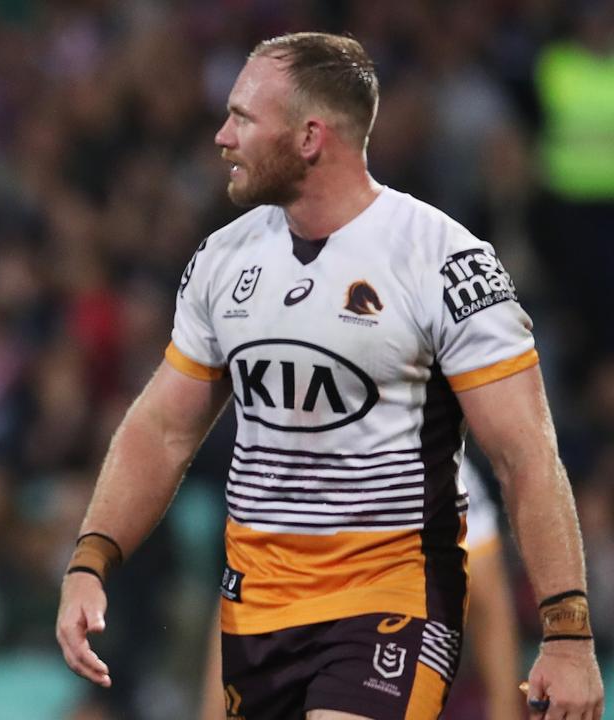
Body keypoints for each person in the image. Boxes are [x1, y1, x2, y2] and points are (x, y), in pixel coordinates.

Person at [55, 32, 602, 719]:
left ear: (310, 137)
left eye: (243, 119)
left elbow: (525, 452)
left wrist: (568, 631)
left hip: (391, 598)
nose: (222, 136)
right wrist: (90, 561)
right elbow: (162, 429)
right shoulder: (224, 261)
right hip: (255, 607)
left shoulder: (444, 262)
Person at [198, 461, 525, 719]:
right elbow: (246, 588)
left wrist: (505, 711)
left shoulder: (439, 461)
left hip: (388, 656)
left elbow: (489, 602)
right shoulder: (276, 464)